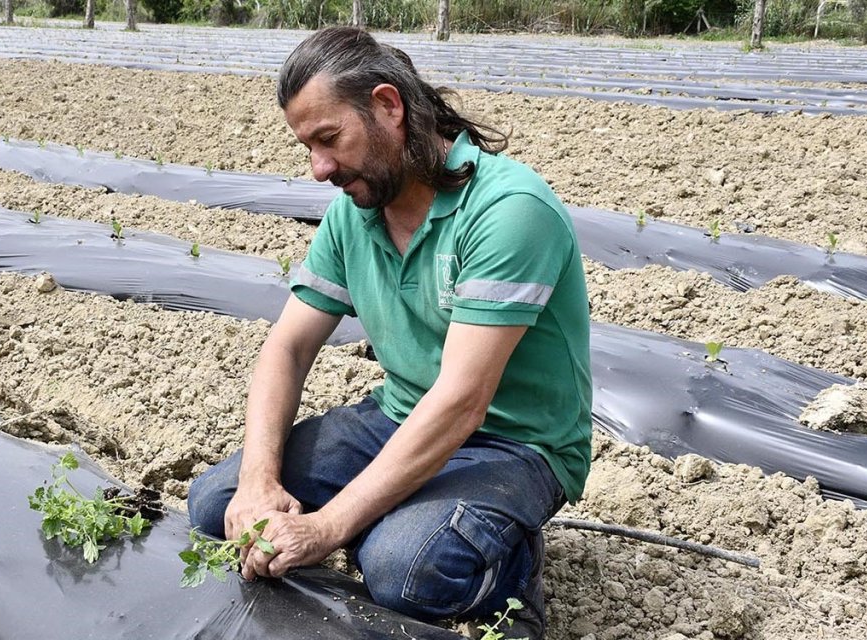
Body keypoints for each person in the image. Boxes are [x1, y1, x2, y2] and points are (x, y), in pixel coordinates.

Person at [187, 26, 591, 638]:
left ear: (388, 106)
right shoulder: (357, 213)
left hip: (515, 443)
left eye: (329, 139)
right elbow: (288, 346)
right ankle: (405, 509)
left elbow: (462, 401)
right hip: (401, 414)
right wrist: (258, 481)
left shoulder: (508, 211)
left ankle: (512, 565)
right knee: (217, 505)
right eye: (308, 148)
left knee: (404, 571)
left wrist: (327, 526)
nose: (320, 169)